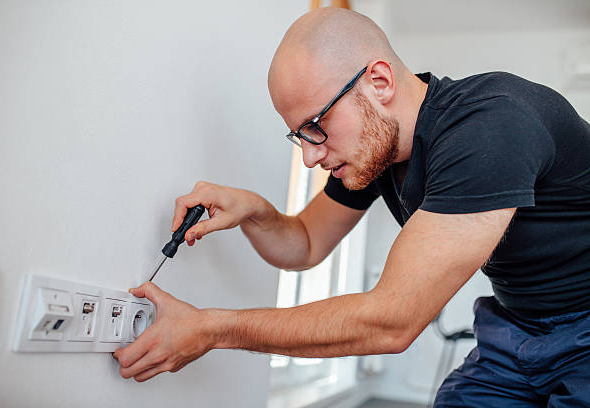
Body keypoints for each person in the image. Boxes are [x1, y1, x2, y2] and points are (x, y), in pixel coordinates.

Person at [113, 7, 590, 405]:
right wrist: (255, 210)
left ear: (378, 82)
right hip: (514, 327)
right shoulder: (377, 152)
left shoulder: (491, 125)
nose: (310, 154)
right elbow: (303, 245)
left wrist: (211, 328)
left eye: (316, 125)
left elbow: (391, 321)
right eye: (299, 135)